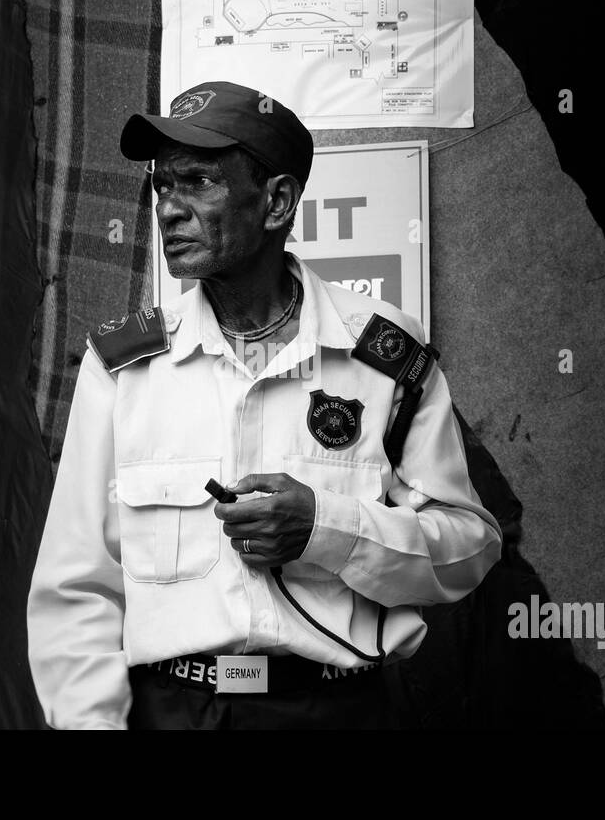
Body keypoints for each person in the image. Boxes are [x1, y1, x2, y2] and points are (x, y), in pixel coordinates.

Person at [26, 80, 503, 729]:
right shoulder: (123, 364)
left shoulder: (382, 354)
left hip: (337, 710)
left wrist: (324, 528)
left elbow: (470, 546)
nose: (168, 208)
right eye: (163, 185)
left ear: (276, 202)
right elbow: (75, 588)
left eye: (197, 182)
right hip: (172, 709)